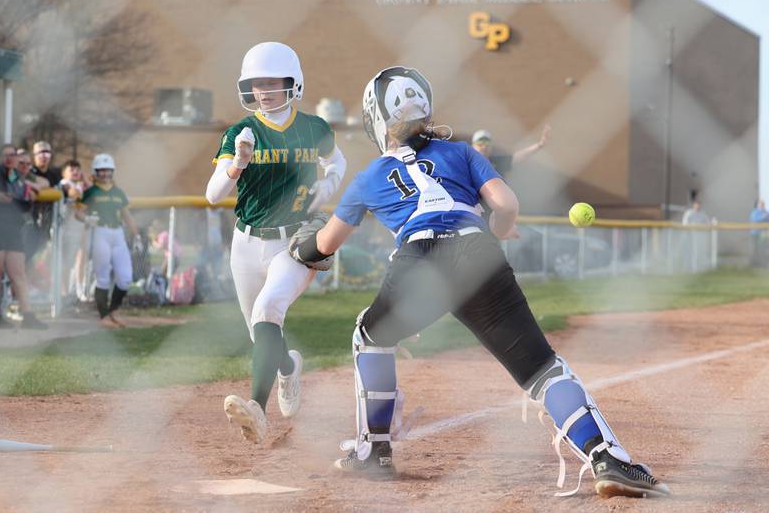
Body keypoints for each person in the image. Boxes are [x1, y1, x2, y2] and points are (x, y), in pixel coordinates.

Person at [288, 66, 670, 498]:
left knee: (370, 336)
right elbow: (507, 204)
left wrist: (301, 251)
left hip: (418, 261)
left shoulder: (370, 175)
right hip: (478, 253)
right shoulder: (462, 152)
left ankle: (374, 452)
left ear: (377, 119)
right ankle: (607, 457)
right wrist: (500, 229)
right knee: (540, 368)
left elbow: (326, 244)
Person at [205, 42, 347, 443]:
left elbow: (337, 161)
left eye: (272, 83)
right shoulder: (240, 132)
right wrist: (238, 163)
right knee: (260, 333)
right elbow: (214, 195)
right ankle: (288, 367)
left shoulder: (314, 128)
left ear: (293, 84)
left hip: (294, 243)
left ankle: (256, 408)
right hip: (247, 243)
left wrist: (330, 182)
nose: (264, 92)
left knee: (268, 310)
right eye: (256, 85)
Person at [0, 144, 47, 329]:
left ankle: (28, 316)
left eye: (12, 155)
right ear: (0, 158)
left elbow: (22, 202)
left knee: (19, 273)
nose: (9, 158)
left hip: (12, 229)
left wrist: (29, 198)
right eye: (5, 155)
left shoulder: (15, 177)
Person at [76, 153, 139, 329]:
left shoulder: (119, 193)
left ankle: (113, 310)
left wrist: (137, 235)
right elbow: (78, 213)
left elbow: (127, 216)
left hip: (117, 233)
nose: (105, 174)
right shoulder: (90, 192)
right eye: (101, 171)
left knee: (126, 278)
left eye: (108, 170)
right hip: (100, 232)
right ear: (95, 172)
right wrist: (87, 219)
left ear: (113, 172)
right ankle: (104, 315)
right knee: (102, 277)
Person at [471, 123, 550, 177]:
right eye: (480, 143)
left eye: (487, 143)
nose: (484, 147)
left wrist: (539, 145)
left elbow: (518, 157)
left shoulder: (496, 162)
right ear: (473, 146)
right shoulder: (467, 164)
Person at [59, 160, 89, 298]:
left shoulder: (80, 184)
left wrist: (85, 183)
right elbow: (74, 194)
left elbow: (92, 193)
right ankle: (64, 292)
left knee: (82, 257)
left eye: (78, 169)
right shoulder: (65, 183)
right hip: (65, 227)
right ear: (64, 173)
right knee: (65, 261)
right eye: (71, 169)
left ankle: (79, 288)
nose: (75, 172)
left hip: (79, 226)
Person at [749, 199, 769, 267]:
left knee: (763, 249)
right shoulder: (755, 212)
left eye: (763, 204)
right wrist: (764, 216)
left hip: (763, 234)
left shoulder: (765, 212)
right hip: (755, 234)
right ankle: (755, 264)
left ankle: (763, 263)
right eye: (760, 204)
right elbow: (755, 220)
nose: (762, 205)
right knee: (755, 249)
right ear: (757, 205)